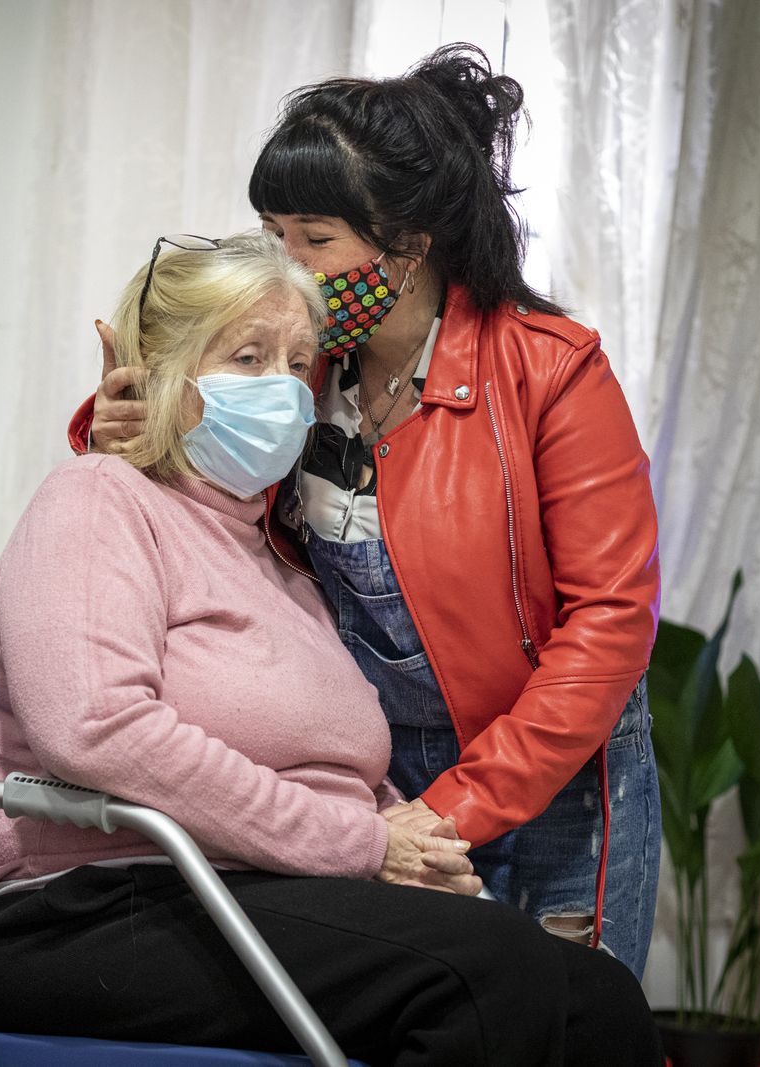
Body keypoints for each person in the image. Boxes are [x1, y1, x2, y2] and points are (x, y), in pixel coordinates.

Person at [0, 231, 662, 1067]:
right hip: (96, 906)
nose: (282, 392)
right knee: (485, 970)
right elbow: (94, 726)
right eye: (247, 356)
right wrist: (367, 845)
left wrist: (410, 851)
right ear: (164, 371)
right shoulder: (99, 500)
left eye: (299, 365)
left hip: (259, 891)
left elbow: (339, 772)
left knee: (599, 996)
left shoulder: (279, 555)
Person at [76, 45, 662, 974]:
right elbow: (195, 514)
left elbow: (612, 620)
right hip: (370, 782)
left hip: (552, 776)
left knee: (564, 1018)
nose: (287, 266)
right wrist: (118, 419)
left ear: (409, 247)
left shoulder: (552, 368)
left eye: (314, 239)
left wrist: (454, 807)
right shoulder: (292, 371)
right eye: (271, 234)